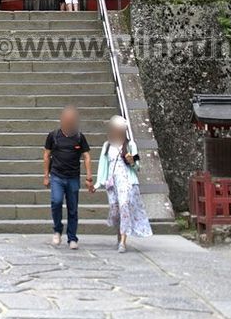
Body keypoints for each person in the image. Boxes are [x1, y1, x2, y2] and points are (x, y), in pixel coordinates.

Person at [94, 115, 153, 253]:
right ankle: (120, 233)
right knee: (115, 210)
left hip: (127, 181)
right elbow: (103, 165)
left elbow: (138, 165)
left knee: (124, 206)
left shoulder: (131, 145)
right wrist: (98, 183)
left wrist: (132, 161)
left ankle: (123, 242)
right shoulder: (107, 146)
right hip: (112, 182)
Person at [43, 106, 93, 249]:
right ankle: (57, 229)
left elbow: (87, 156)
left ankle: (72, 237)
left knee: (73, 208)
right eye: (67, 119)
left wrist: (89, 177)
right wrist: (46, 176)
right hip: (57, 176)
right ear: (62, 120)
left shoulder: (79, 137)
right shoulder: (53, 136)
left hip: (73, 177)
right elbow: (46, 155)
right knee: (56, 201)